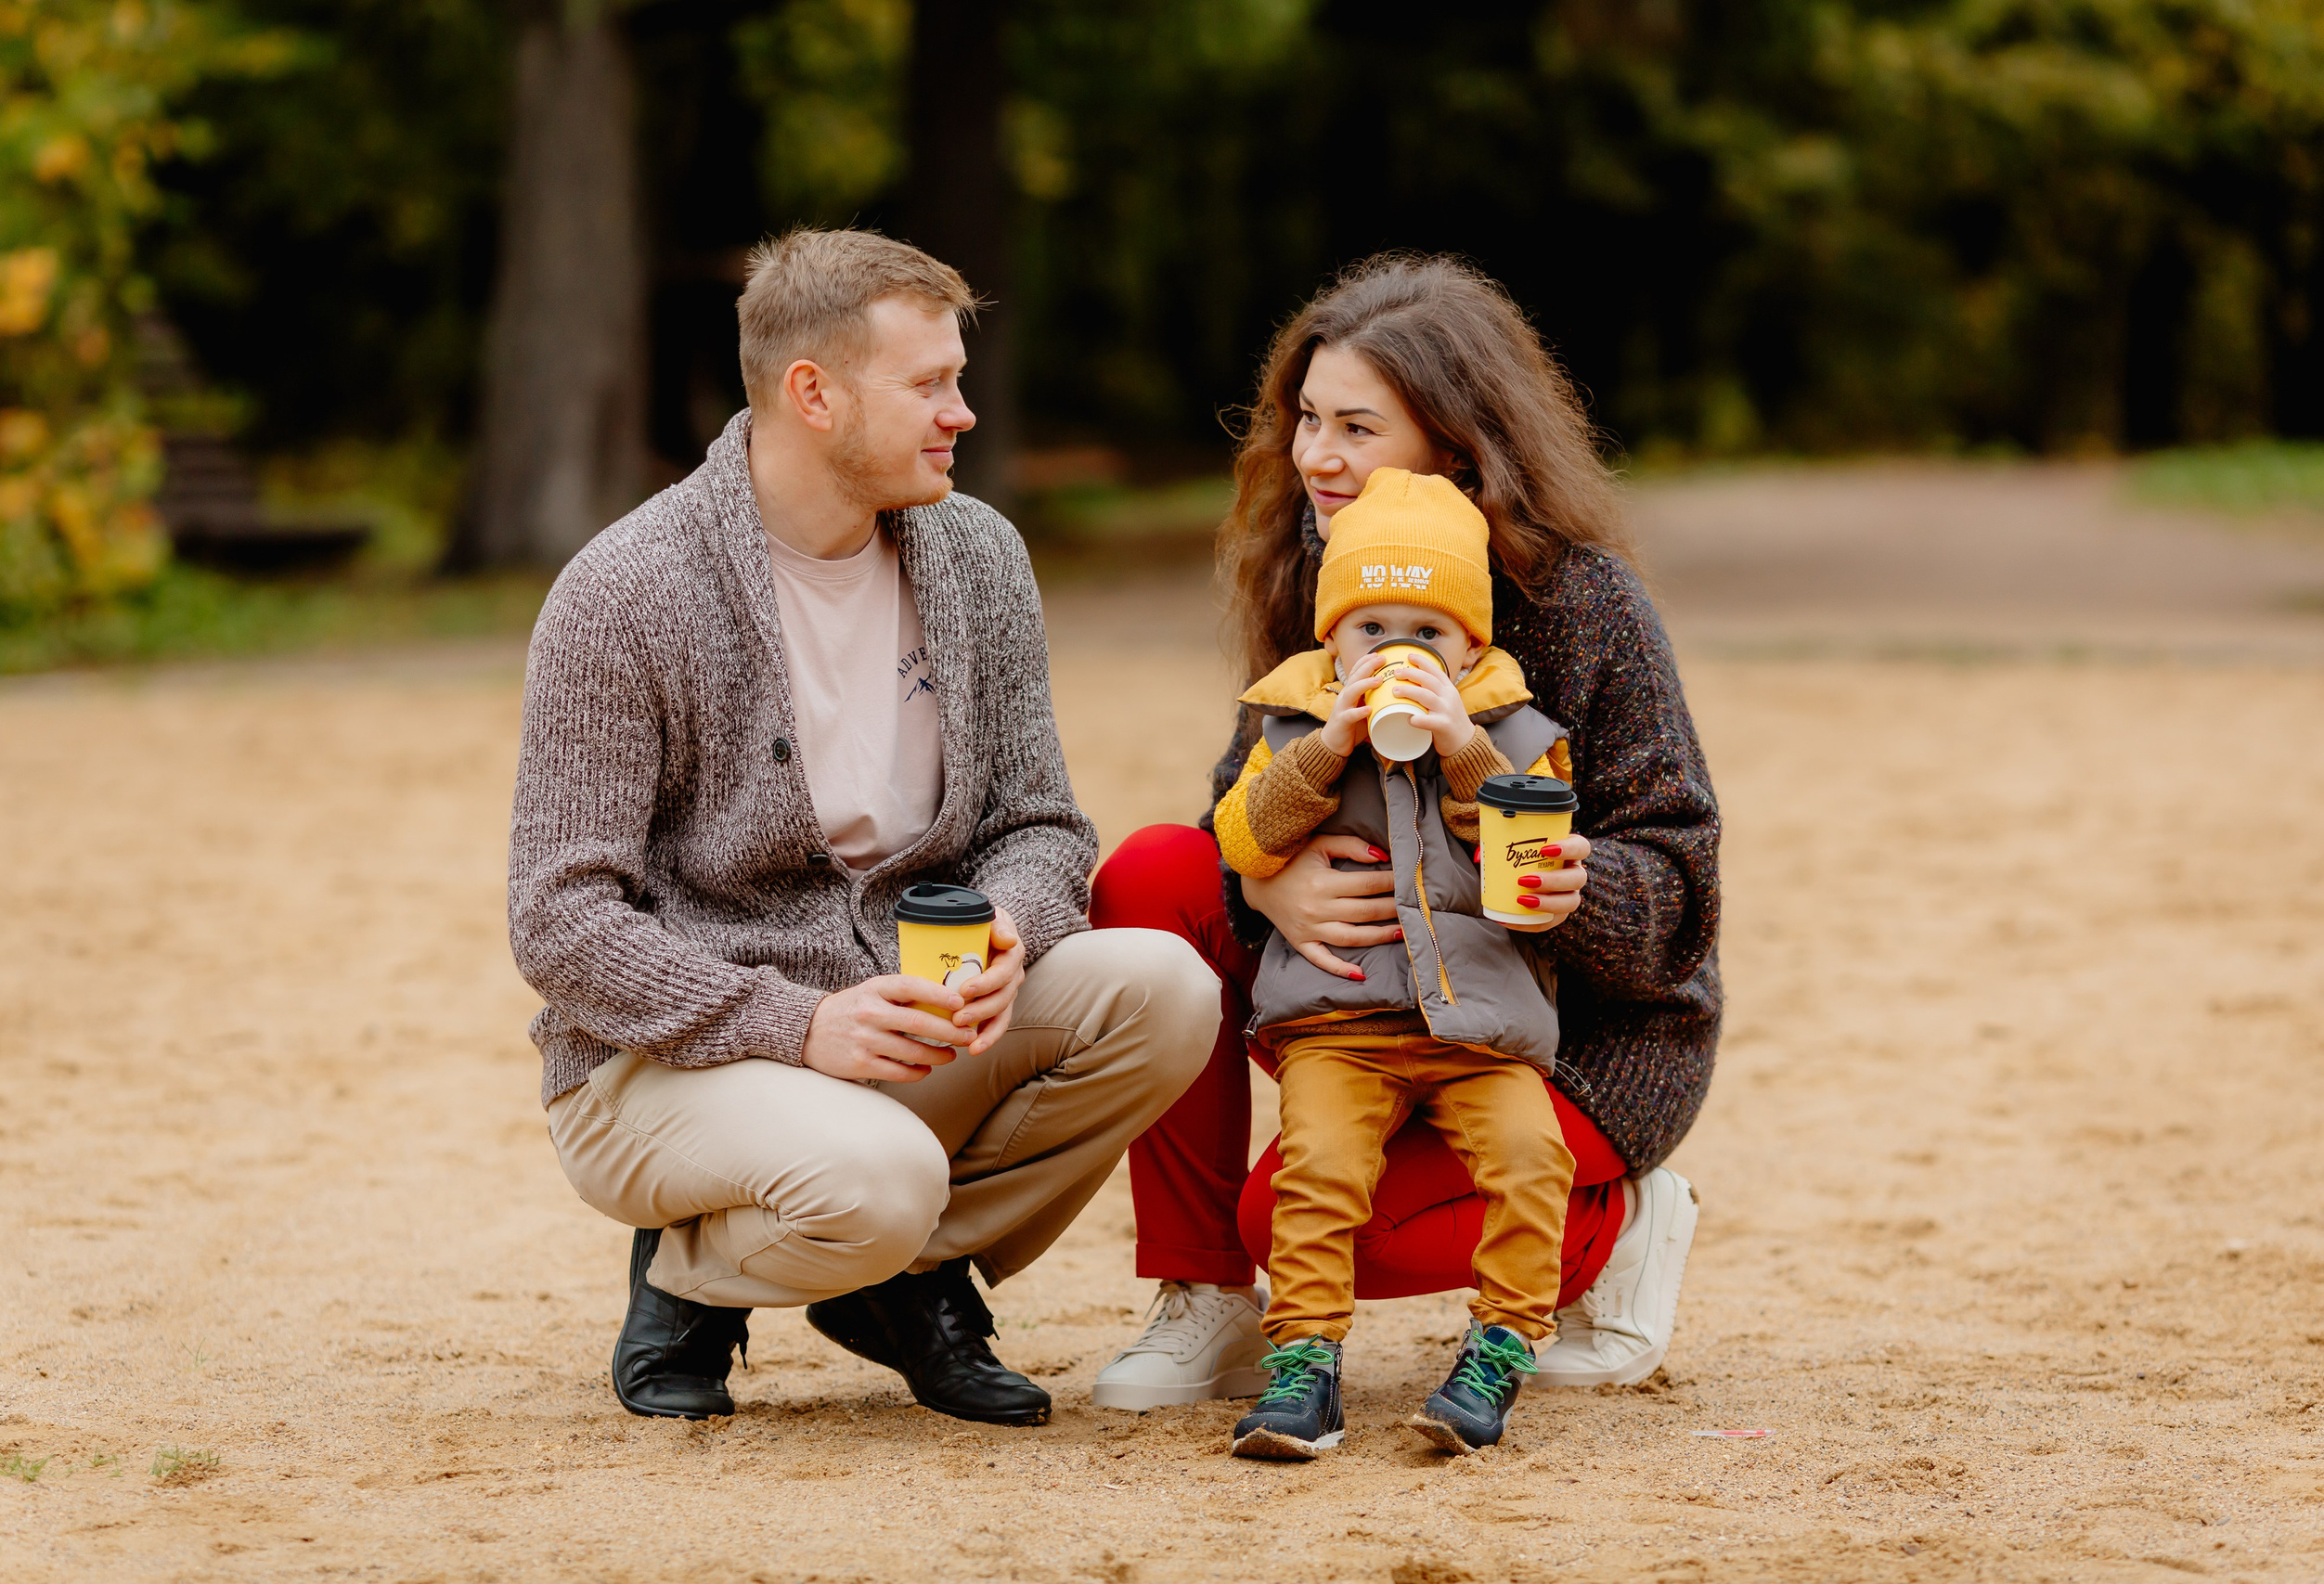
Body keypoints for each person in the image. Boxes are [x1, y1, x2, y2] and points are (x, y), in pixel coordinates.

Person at [509, 228, 1220, 1429]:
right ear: (814, 394)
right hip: (664, 1064)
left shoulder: (979, 555)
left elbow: (1042, 819)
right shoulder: (626, 591)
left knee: (1163, 988)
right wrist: (800, 1023)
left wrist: (1012, 922)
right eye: (930, 384)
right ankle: (693, 1272)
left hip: (905, 1029)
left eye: (958, 378)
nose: (964, 413)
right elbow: (561, 920)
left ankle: (895, 1280)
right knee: (882, 1181)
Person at [1090, 255, 1719, 1413]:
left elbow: (1680, 885)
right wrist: (1263, 889)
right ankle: (1204, 1300)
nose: (1315, 458)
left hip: (1557, 1036)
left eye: (1355, 428)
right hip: (1359, 1003)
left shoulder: (1586, 607)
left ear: (1458, 446)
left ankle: (1618, 1225)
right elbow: (1247, 806)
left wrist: (1567, 881)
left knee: (1317, 1227)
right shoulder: (1321, 574)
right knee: (1150, 872)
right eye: (1306, 421)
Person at [1216, 466, 1580, 1460]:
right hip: (1341, 1023)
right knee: (1319, 1172)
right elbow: (1244, 839)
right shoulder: (1290, 726)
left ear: (1473, 647)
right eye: (1372, 630)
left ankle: (1503, 1343)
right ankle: (1303, 1365)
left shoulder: (1515, 732)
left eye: (1429, 635)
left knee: (1529, 1161)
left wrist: (1465, 744)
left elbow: (1530, 852)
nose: (1398, 654)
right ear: (1332, 640)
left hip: (1481, 1030)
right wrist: (1327, 744)